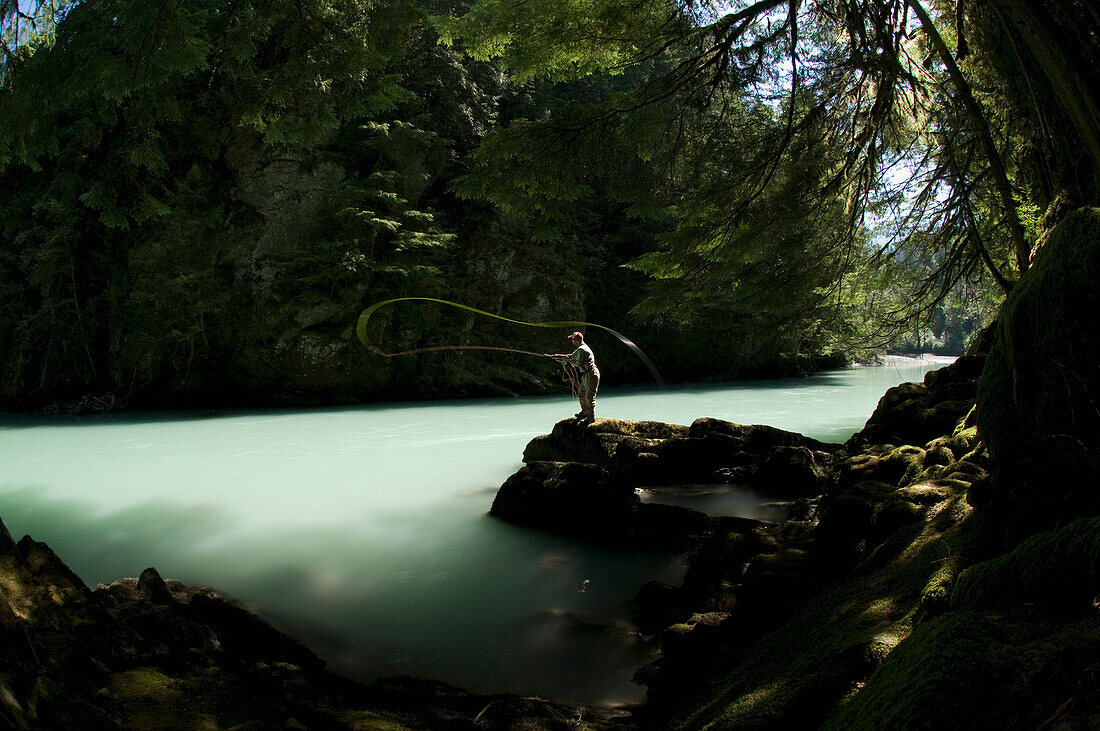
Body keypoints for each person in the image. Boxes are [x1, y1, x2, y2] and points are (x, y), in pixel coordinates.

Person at [548, 332, 600, 422]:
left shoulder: (582, 350)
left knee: (589, 397)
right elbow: (570, 356)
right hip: (587, 374)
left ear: (576, 341)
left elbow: (578, 363)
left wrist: (568, 361)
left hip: (591, 374)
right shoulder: (580, 348)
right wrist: (556, 356)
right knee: (581, 393)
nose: (571, 341)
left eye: (572, 340)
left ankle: (591, 418)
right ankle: (584, 412)